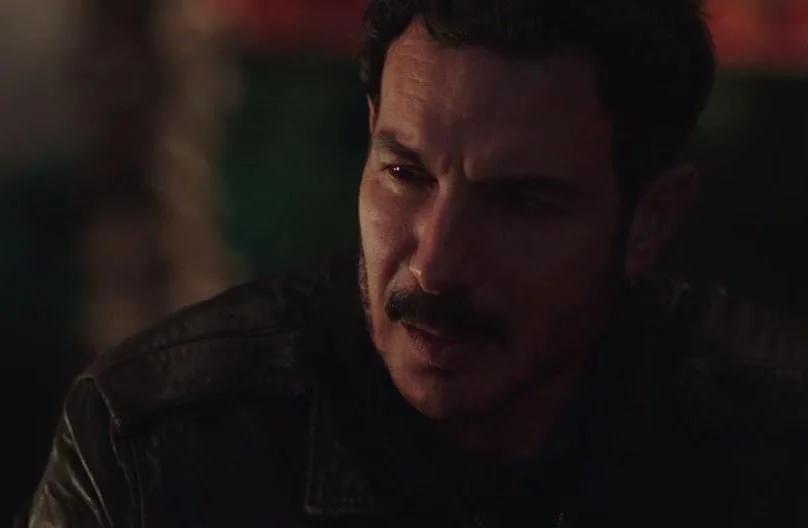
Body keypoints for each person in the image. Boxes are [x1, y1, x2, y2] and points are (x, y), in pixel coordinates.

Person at [19, 0, 808, 526]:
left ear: (650, 220)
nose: (434, 266)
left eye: (521, 201)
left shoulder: (775, 451)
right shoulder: (154, 450)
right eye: (404, 173)